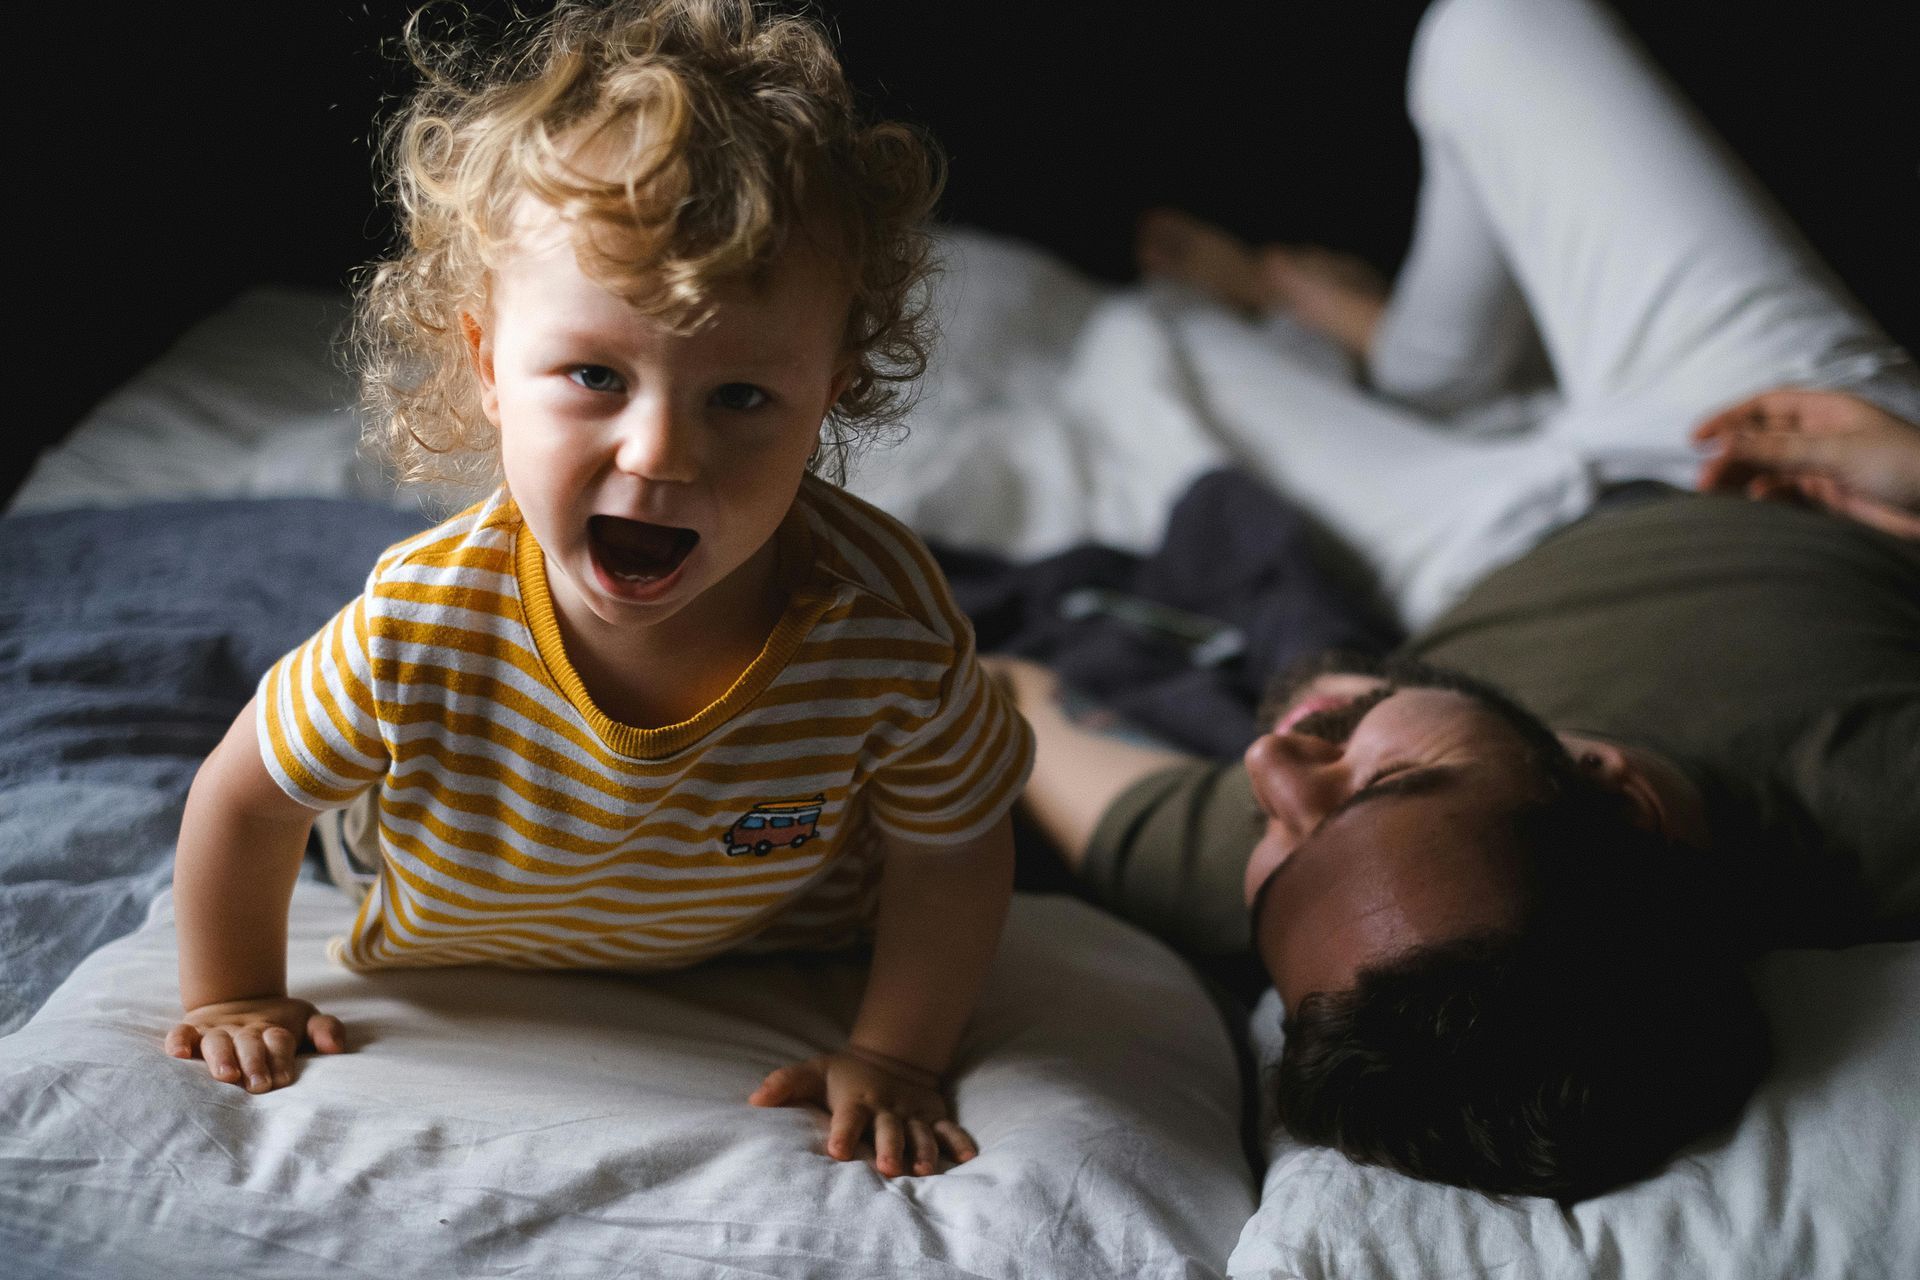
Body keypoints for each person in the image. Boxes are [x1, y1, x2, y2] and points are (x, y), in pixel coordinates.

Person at [996, 0, 1920, 1201]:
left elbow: (988, 696)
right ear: (1619, 789)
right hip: (1757, 445)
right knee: (1499, 23)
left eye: (1275, 845)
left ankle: (1413, 364)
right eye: (1383, 779)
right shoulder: (1878, 804)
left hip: (1467, 547)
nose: (1276, 762)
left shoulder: (1332, 908)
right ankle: (1415, 358)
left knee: (1136, 345)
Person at [162, 0, 1033, 1182]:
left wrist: (898, 1051)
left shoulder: (886, 626)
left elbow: (957, 846)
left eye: (741, 396)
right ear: (486, 366)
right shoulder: (421, 621)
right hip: (447, 908)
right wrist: (236, 991)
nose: (662, 452)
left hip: (776, 930)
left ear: (826, 392)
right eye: (593, 374)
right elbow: (245, 798)